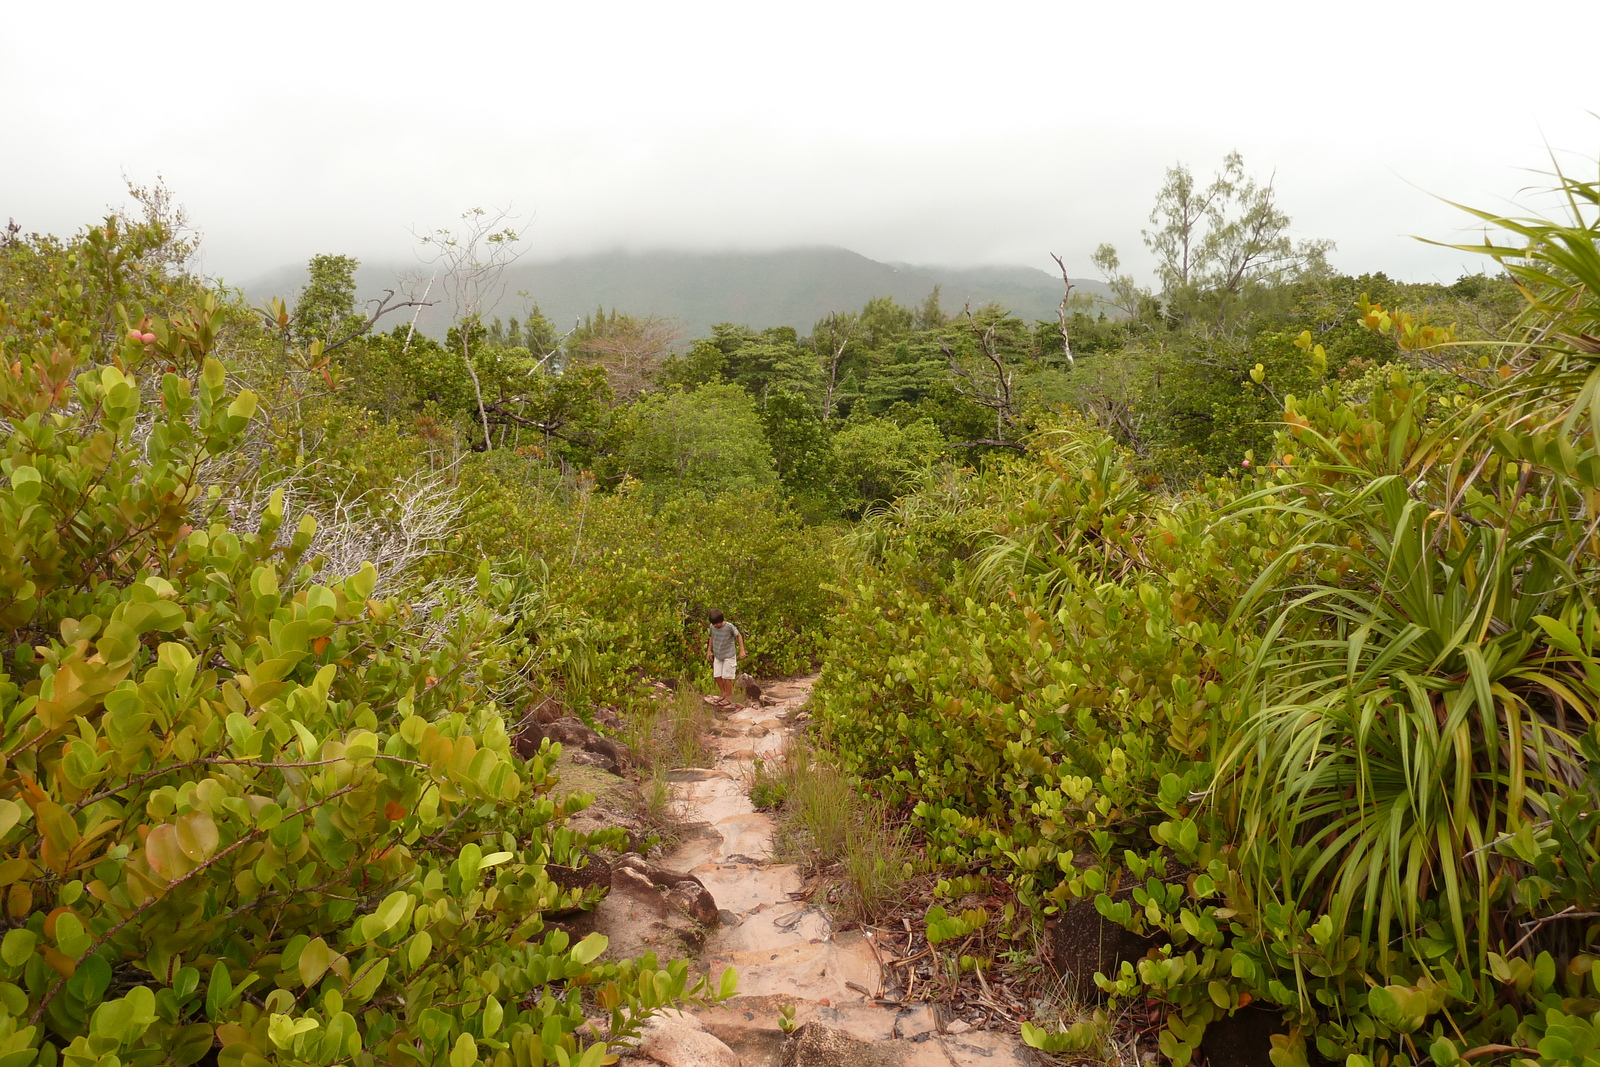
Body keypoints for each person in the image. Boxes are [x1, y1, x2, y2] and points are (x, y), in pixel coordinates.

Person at [706, 609, 746, 705]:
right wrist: (709, 650)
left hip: (729, 655)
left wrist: (742, 650)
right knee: (717, 676)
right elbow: (711, 638)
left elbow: (739, 636)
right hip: (718, 655)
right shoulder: (712, 627)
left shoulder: (729, 627)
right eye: (714, 624)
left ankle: (728, 697)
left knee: (727, 677)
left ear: (721, 620)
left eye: (718, 623)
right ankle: (723, 693)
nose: (716, 625)